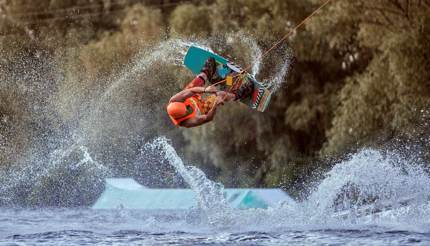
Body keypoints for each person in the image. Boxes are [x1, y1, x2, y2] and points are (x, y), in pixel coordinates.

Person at [166, 57, 253, 128]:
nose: (187, 109)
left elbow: (191, 91)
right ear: (181, 116)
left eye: (185, 107)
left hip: (192, 97)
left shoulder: (174, 100)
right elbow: (207, 118)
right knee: (220, 95)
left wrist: (206, 90)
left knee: (202, 77)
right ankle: (240, 93)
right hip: (202, 108)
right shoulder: (187, 123)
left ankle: (211, 75)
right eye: (186, 111)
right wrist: (215, 105)